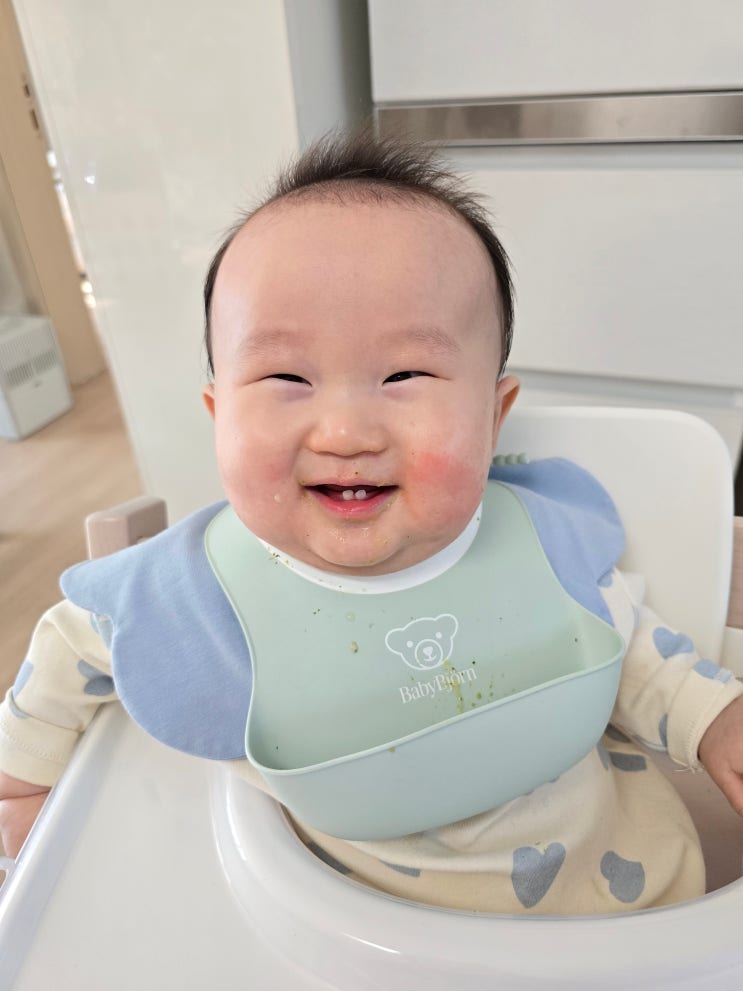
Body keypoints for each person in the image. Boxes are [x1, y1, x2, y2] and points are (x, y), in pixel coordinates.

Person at [1, 130, 742, 915]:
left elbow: (628, 645)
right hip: (342, 927)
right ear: (219, 414)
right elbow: (75, 638)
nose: (345, 432)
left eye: (403, 374)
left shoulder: (532, 538)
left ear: (492, 417)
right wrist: (20, 782)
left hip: (615, 897)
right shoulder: (198, 589)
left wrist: (713, 720)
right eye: (286, 376)